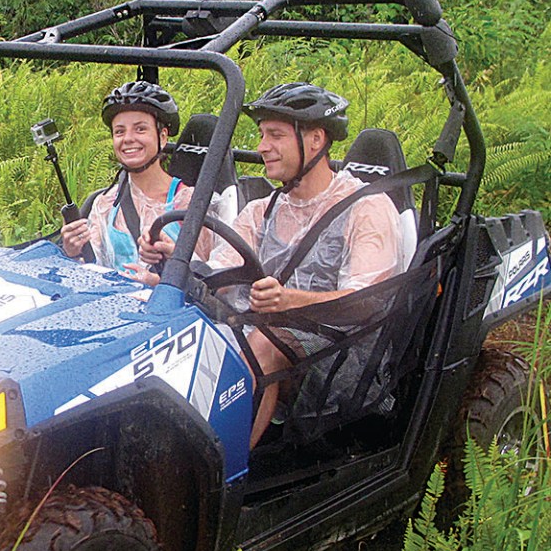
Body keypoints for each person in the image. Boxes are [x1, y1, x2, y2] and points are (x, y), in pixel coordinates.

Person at [209, 82, 404, 447]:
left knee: (263, 345)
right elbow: (219, 269)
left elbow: (367, 300)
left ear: (315, 140)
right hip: (263, 333)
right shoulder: (261, 211)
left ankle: (224, 474)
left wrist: (289, 301)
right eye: (262, 134)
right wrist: (172, 266)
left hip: (343, 352)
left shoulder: (367, 208)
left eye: (275, 135)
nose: (261, 147)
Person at [60, 81, 206, 281]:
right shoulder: (106, 204)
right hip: (114, 307)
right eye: (119, 131)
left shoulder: (190, 203)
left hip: (172, 309)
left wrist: (160, 282)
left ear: (162, 137)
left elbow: (212, 281)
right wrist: (73, 251)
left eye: (140, 129)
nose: (128, 139)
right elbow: (90, 271)